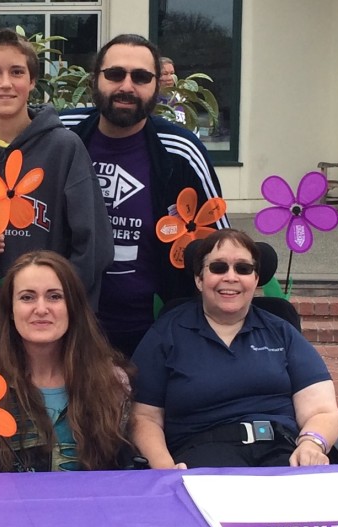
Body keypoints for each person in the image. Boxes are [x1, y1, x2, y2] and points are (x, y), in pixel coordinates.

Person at [60, 34, 230, 357]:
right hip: (67, 330)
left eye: (140, 77)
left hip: (153, 336)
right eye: (114, 74)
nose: (127, 86)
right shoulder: (61, 134)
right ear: (94, 79)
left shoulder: (181, 151)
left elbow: (221, 244)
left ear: (156, 85)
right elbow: (3, 141)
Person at [130, 229, 338, 470]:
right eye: (218, 267)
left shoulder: (281, 332)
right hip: (203, 459)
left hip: (281, 453)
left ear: (255, 278)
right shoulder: (166, 334)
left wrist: (312, 444)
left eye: (243, 268)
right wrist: (165, 471)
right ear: (199, 279)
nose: (231, 277)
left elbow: (323, 410)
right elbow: (144, 417)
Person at [0, 29, 113, 307]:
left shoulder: (65, 148)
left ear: (32, 81)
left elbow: (94, 246)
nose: (5, 83)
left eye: (17, 72)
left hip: (50, 321)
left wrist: (60, 304)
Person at [0, 251, 133, 473]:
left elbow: (117, 479)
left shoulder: (111, 382)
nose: (41, 309)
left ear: (73, 308)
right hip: (1, 507)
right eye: (27, 297)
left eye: (54, 296)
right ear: (10, 311)